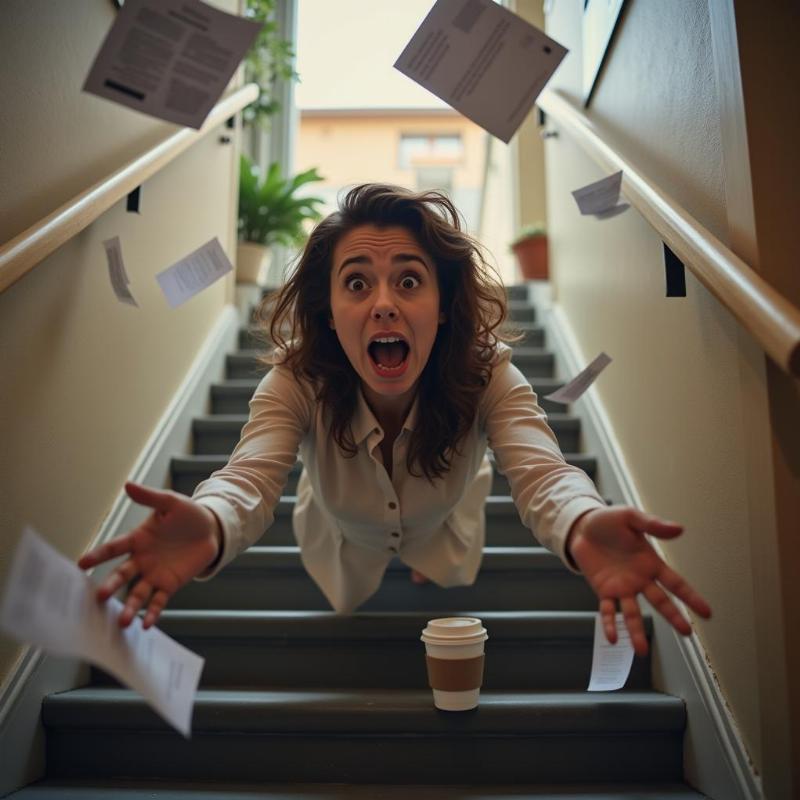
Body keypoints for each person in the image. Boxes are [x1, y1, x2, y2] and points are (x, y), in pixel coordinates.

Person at [78, 183, 711, 656]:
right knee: (355, 581)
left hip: (449, 522)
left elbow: (543, 472)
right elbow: (249, 475)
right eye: (357, 284)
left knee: (436, 558)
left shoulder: (491, 373)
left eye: (409, 281)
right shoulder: (293, 381)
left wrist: (582, 519)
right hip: (339, 536)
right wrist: (213, 519)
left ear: (442, 306)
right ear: (329, 312)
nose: (383, 304)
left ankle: (418, 555)